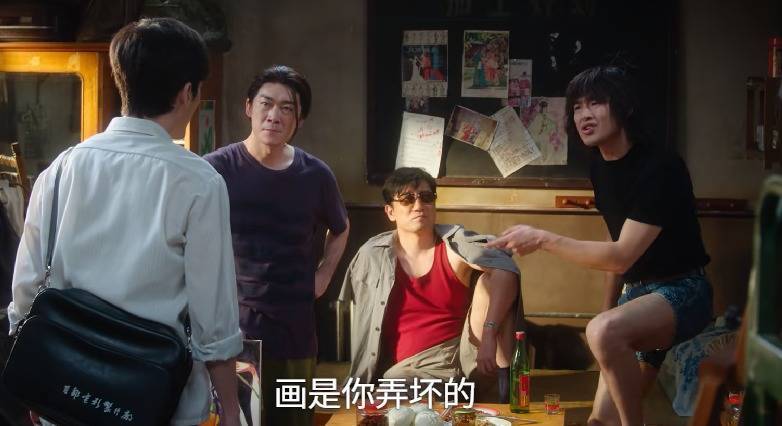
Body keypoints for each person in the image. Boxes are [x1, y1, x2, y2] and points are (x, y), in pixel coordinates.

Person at [8, 18, 243, 426]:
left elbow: (26, 291)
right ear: (186, 92)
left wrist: (37, 375)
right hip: (154, 401)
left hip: (65, 392)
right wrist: (231, 408)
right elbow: (214, 320)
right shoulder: (199, 182)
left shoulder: (61, 169)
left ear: (123, 82)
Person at [488, 66, 712, 426]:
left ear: (624, 107)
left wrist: (543, 238)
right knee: (599, 419)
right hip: (636, 295)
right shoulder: (600, 168)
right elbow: (615, 241)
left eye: (595, 103)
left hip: (683, 290)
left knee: (602, 331)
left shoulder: (661, 167)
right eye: (577, 107)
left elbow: (622, 254)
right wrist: (608, 310)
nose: (584, 115)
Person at [204, 65, 349, 425]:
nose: (274, 115)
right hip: (233, 328)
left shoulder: (315, 174)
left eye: (287, 108)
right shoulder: (215, 169)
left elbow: (340, 228)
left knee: (293, 420)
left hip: (294, 329)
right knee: (238, 419)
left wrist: (324, 275)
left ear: (299, 119)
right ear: (248, 107)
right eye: (266, 104)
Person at [339, 167, 520, 401]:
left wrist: (489, 335)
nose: (418, 206)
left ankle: (501, 390)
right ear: (390, 212)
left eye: (426, 198)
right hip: (393, 370)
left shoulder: (454, 248)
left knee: (489, 280)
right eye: (407, 199)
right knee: (372, 404)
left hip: (446, 364)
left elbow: (506, 271)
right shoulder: (372, 255)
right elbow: (364, 318)